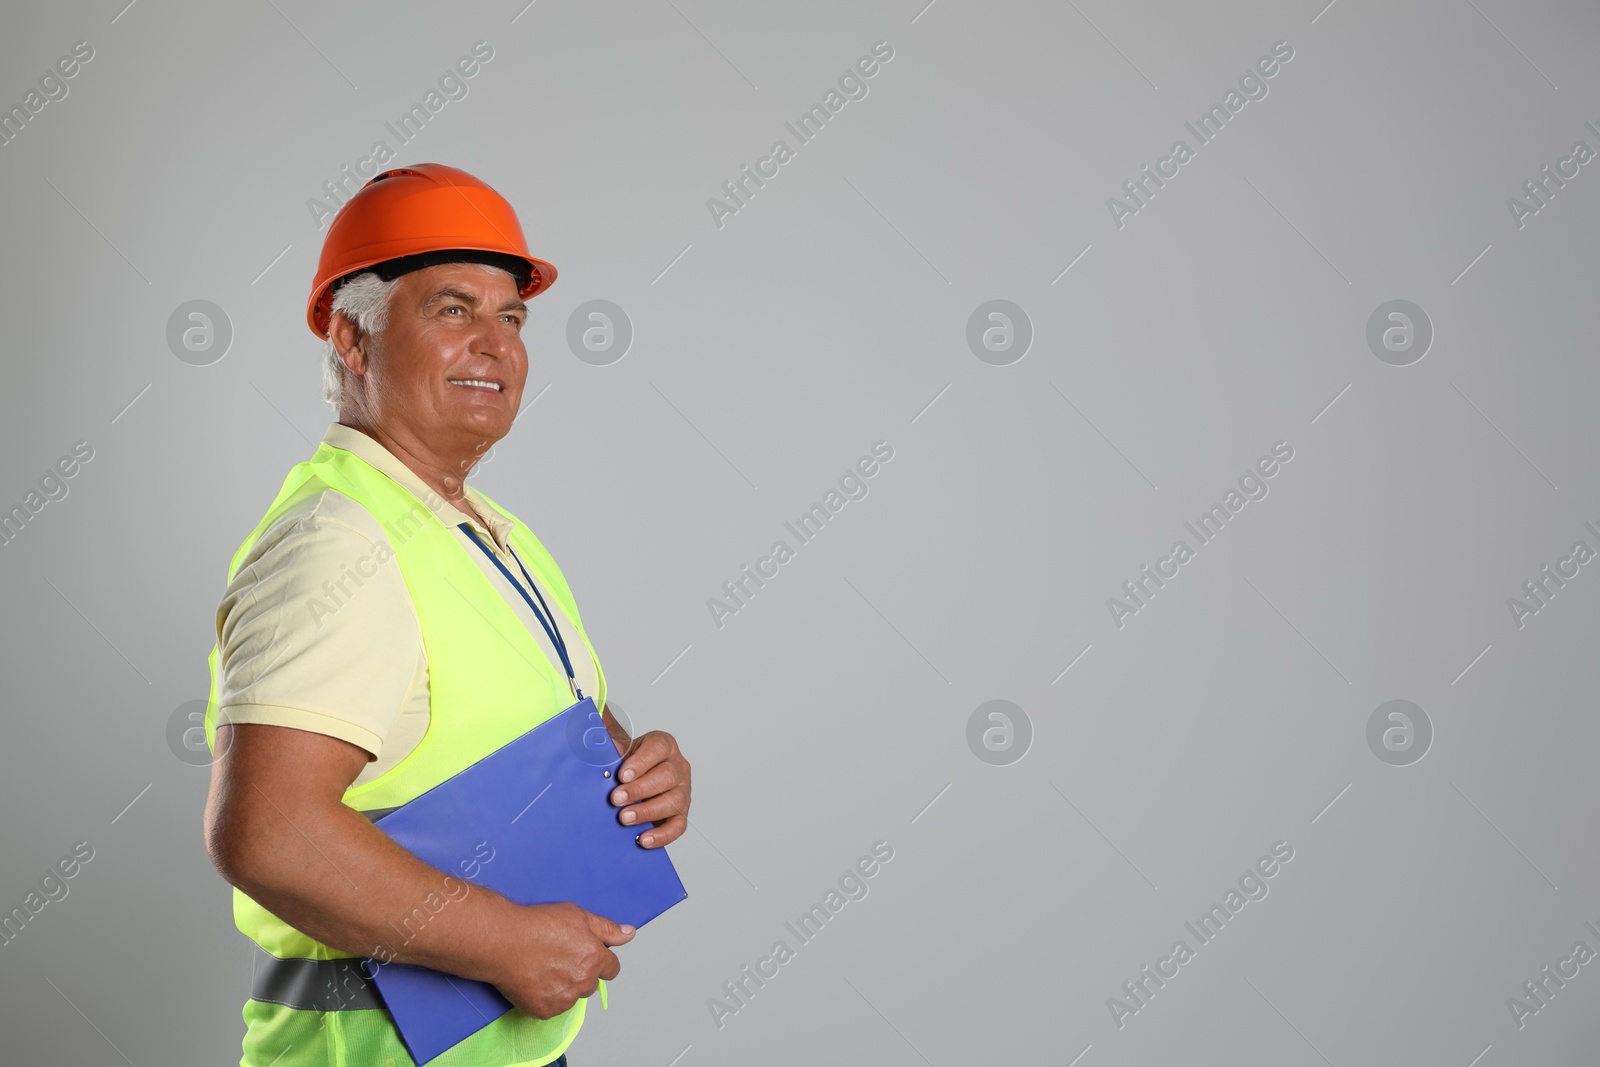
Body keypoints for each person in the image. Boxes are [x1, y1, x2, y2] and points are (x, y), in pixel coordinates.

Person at [199, 162, 692, 1067]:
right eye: (454, 310)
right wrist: (502, 941)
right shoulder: (338, 544)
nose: (497, 345)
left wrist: (637, 769)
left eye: (512, 317)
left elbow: (530, 719)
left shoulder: (488, 532)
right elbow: (268, 833)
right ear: (352, 337)